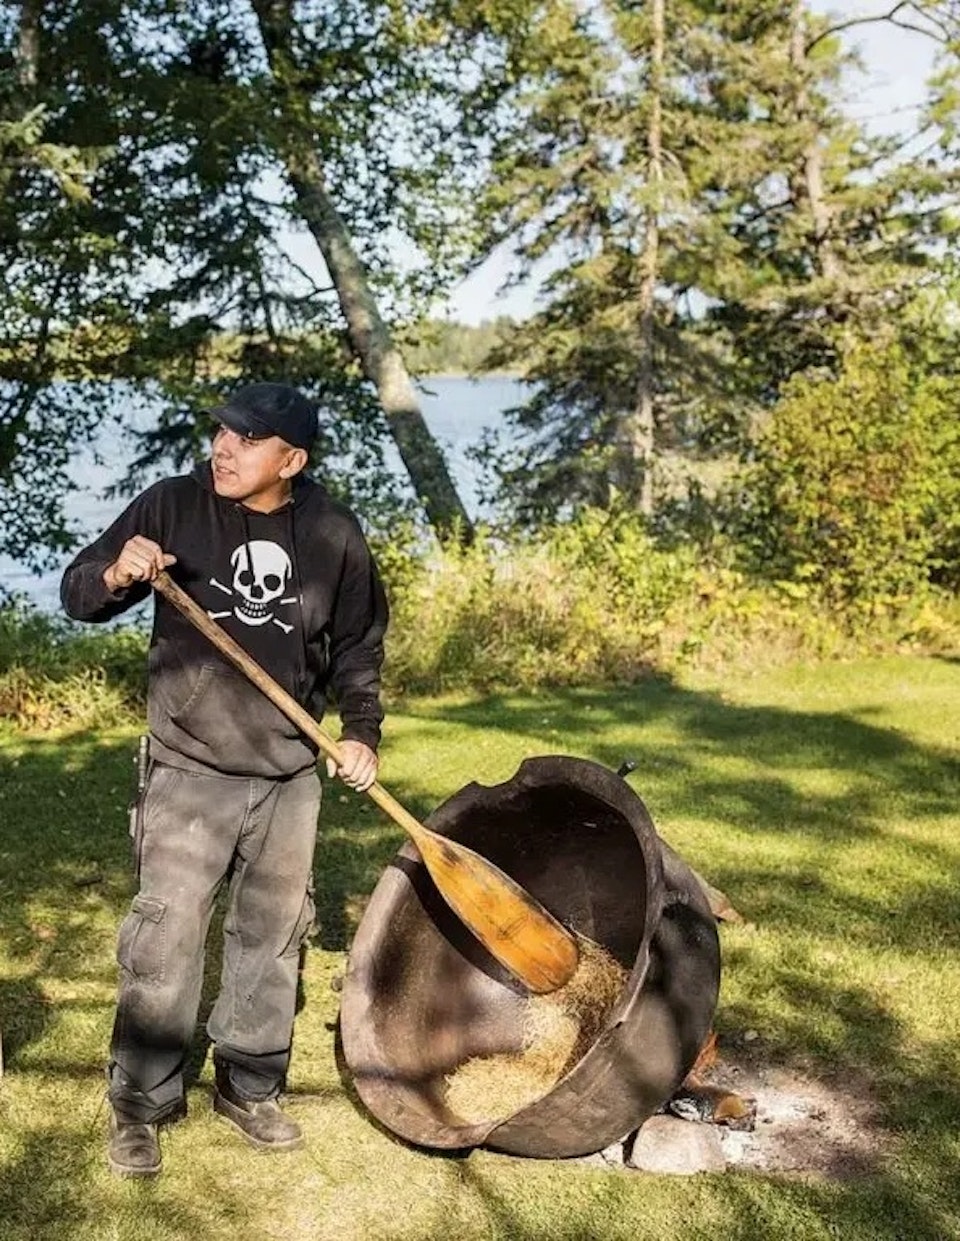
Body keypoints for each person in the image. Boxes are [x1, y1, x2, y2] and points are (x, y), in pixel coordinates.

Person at [60, 382, 388, 1178]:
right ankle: (141, 1102)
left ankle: (249, 1083)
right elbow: (77, 590)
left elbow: (358, 648)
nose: (225, 447)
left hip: (287, 774)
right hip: (188, 765)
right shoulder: (173, 506)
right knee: (164, 938)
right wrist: (116, 573)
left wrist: (360, 732)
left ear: (293, 459)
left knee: (273, 938)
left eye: (247, 438)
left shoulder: (334, 533)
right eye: (222, 432)